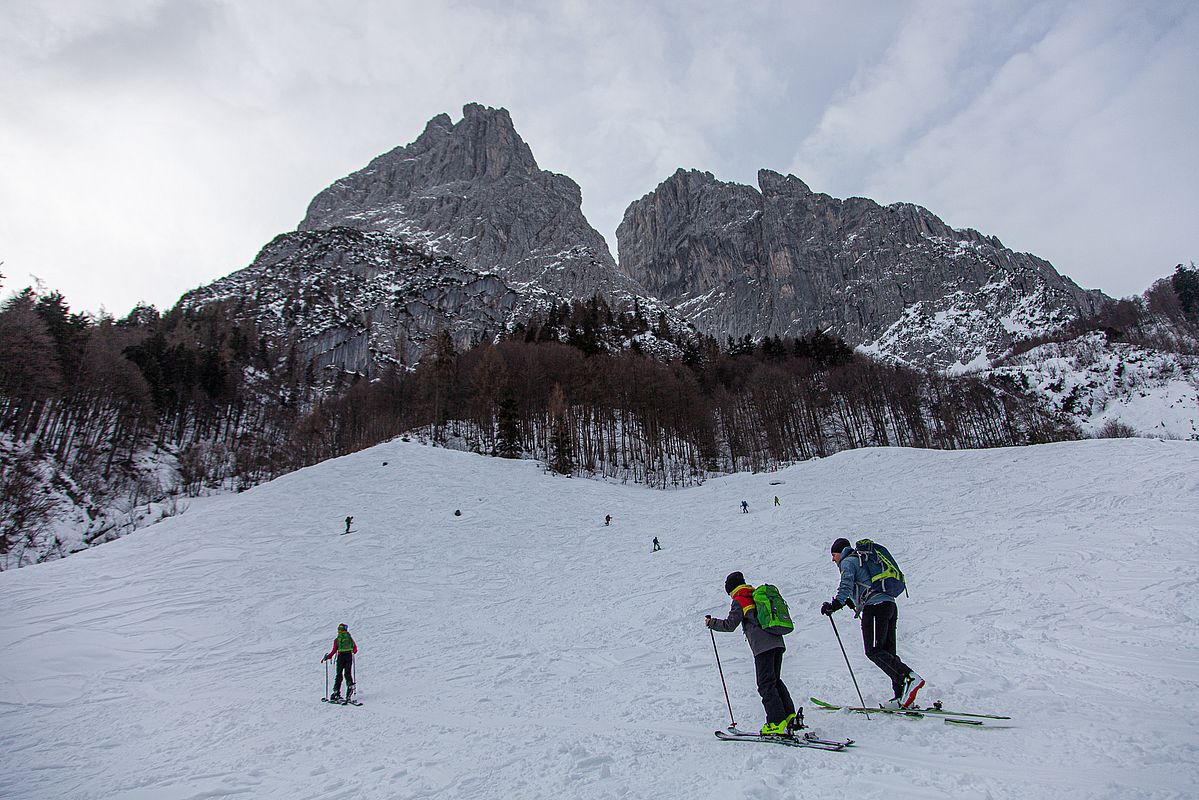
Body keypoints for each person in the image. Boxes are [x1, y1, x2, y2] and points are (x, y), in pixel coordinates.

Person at [821, 538, 923, 708]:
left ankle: (909, 677)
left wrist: (835, 604)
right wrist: (851, 602)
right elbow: (861, 585)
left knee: (873, 651)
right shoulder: (860, 560)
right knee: (888, 652)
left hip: (875, 607)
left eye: (834, 554)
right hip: (889, 605)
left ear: (841, 552)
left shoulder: (848, 562)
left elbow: (845, 585)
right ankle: (901, 696)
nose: (833, 559)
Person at [706, 572, 797, 735]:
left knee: (765, 684)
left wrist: (712, 623)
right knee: (775, 681)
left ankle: (776, 722)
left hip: (763, 647)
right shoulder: (755, 593)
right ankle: (790, 716)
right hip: (777, 641)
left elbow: (729, 625)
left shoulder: (739, 599)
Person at [322, 623, 358, 702]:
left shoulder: (337, 639)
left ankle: (336, 693)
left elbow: (334, 651)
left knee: (339, 674)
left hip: (341, 657)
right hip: (349, 656)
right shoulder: (350, 638)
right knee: (348, 673)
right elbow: (355, 650)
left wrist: (327, 657)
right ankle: (350, 687)